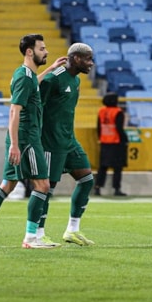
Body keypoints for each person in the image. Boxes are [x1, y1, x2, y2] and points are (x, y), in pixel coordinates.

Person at [0, 34, 61, 249]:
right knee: (42, 185)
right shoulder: (24, 77)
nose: (46, 52)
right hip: (27, 138)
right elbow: (14, 110)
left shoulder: (26, 75)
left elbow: (33, 85)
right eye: (42, 49)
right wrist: (15, 144)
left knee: (7, 185)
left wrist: (51, 69)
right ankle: (30, 238)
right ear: (30, 52)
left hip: (21, 139)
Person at [35, 43, 98, 246]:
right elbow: (35, 107)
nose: (91, 63)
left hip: (69, 140)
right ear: (76, 58)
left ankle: (72, 230)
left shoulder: (76, 80)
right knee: (46, 189)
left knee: (87, 179)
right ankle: (37, 234)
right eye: (88, 59)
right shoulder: (53, 79)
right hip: (50, 142)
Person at [95, 92, 128, 197]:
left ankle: (97, 188)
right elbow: (119, 128)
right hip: (116, 142)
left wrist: (100, 138)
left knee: (103, 167)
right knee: (117, 168)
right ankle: (117, 189)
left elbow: (99, 127)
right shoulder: (118, 112)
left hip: (104, 141)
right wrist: (125, 139)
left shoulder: (101, 111)